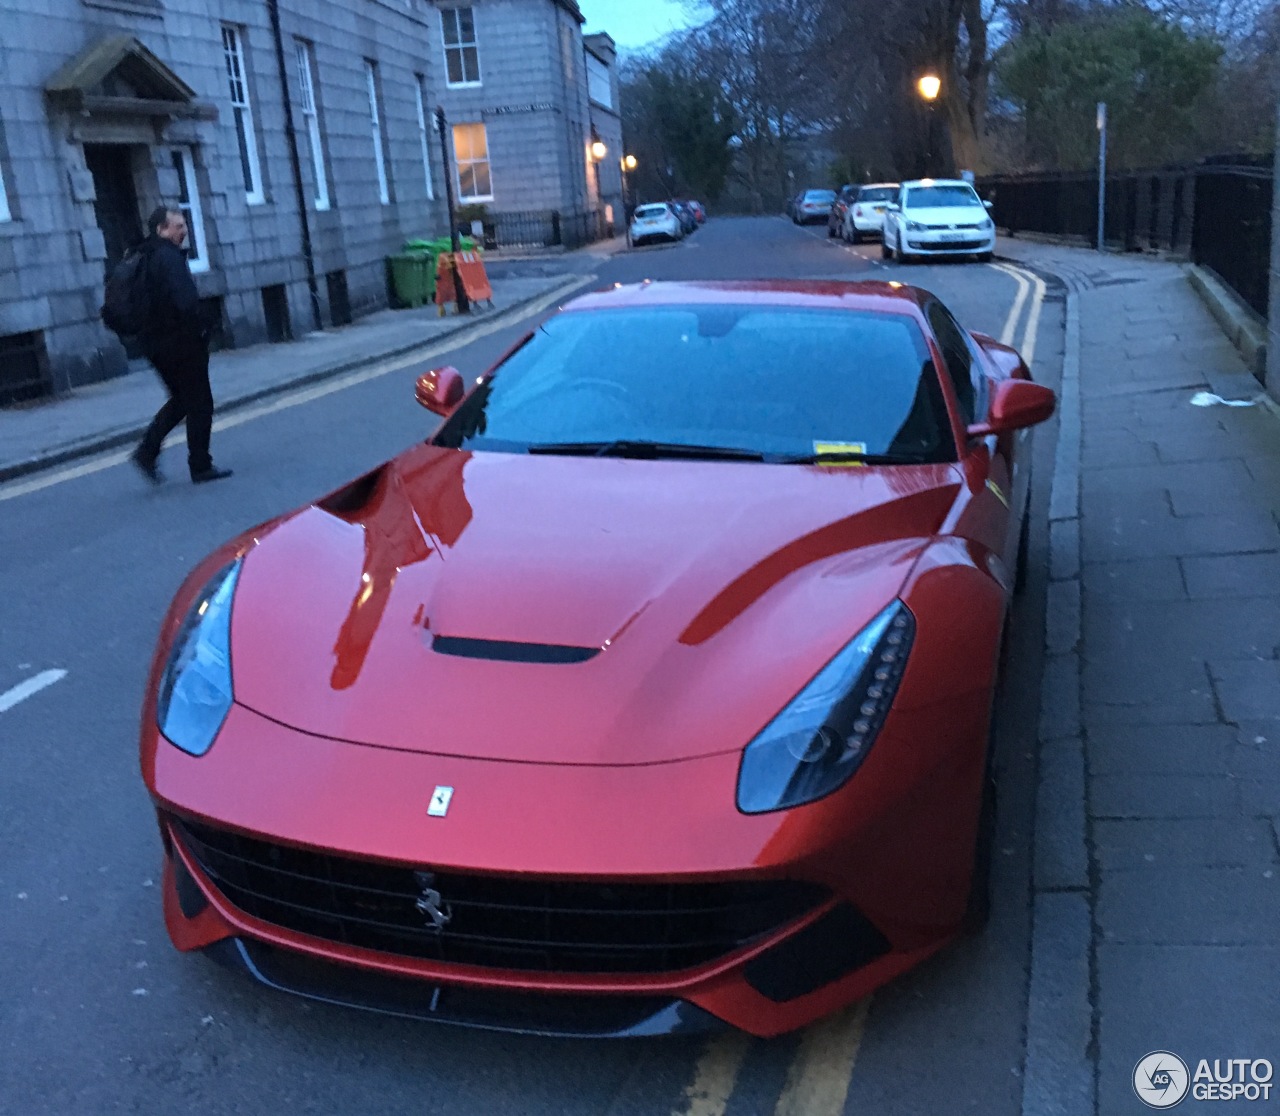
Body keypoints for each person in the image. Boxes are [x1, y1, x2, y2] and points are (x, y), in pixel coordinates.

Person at [130, 206, 232, 485]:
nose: (184, 230)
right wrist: (203, 328)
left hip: (155, 345)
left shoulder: (145, 255)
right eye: (177, 226)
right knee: (200, 402)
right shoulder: (168, 258)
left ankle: (147, 451)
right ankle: (200, 466)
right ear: (162, 230)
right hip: (179, 343)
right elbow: (185, 302)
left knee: (183, 399)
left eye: (184, 224)